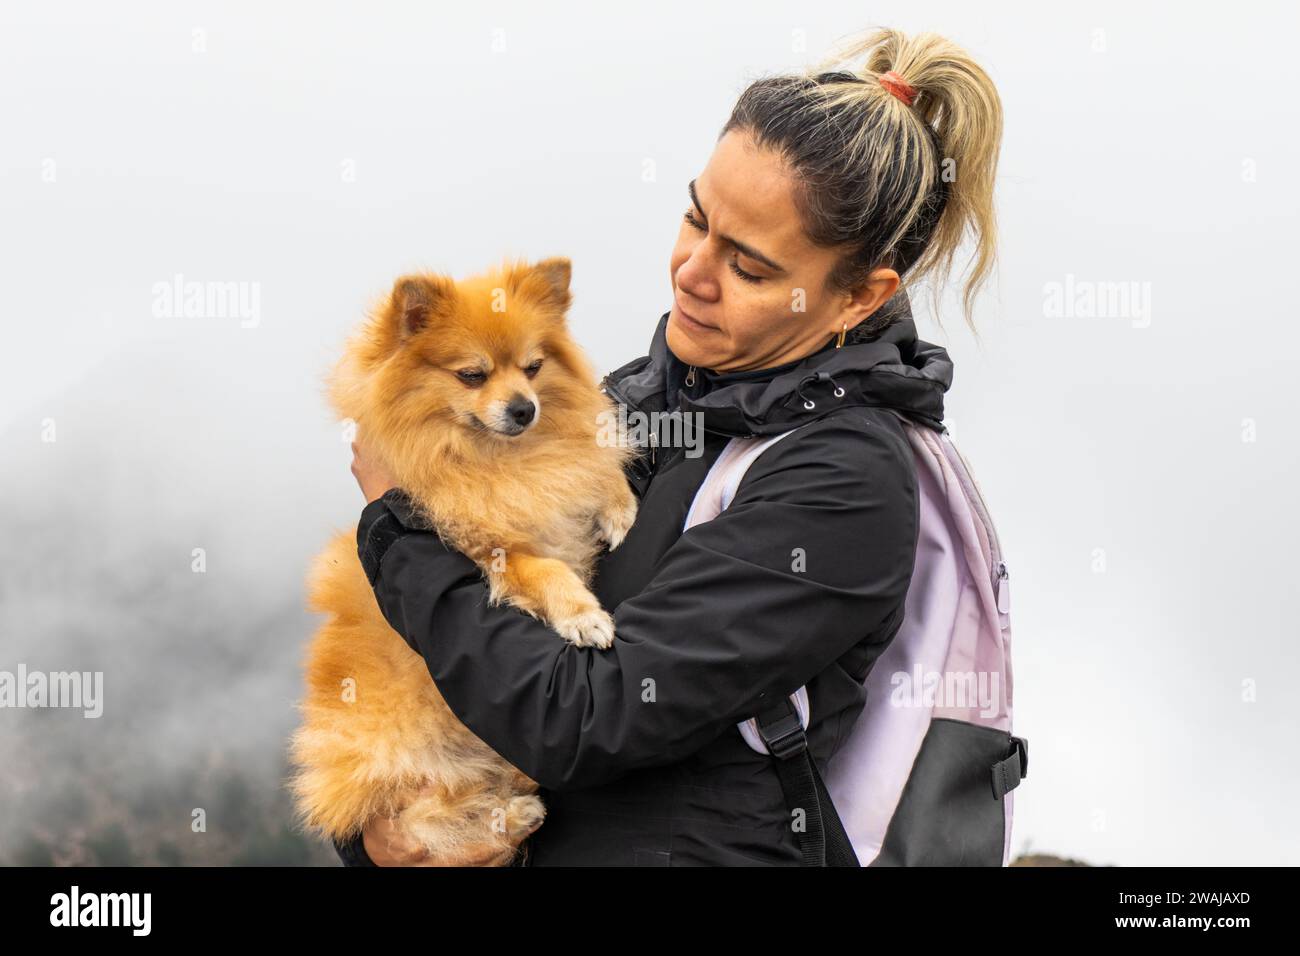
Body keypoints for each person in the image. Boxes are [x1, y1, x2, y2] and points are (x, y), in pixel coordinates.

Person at [336, 25, 1002, 866]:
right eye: (695, 218)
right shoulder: (623, 407)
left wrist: (400, 529)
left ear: (855, 300)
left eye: (749, 268)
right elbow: (426, 673)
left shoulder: (843, 483)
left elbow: (585, 718)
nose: (692, 270)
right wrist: (375, 834)